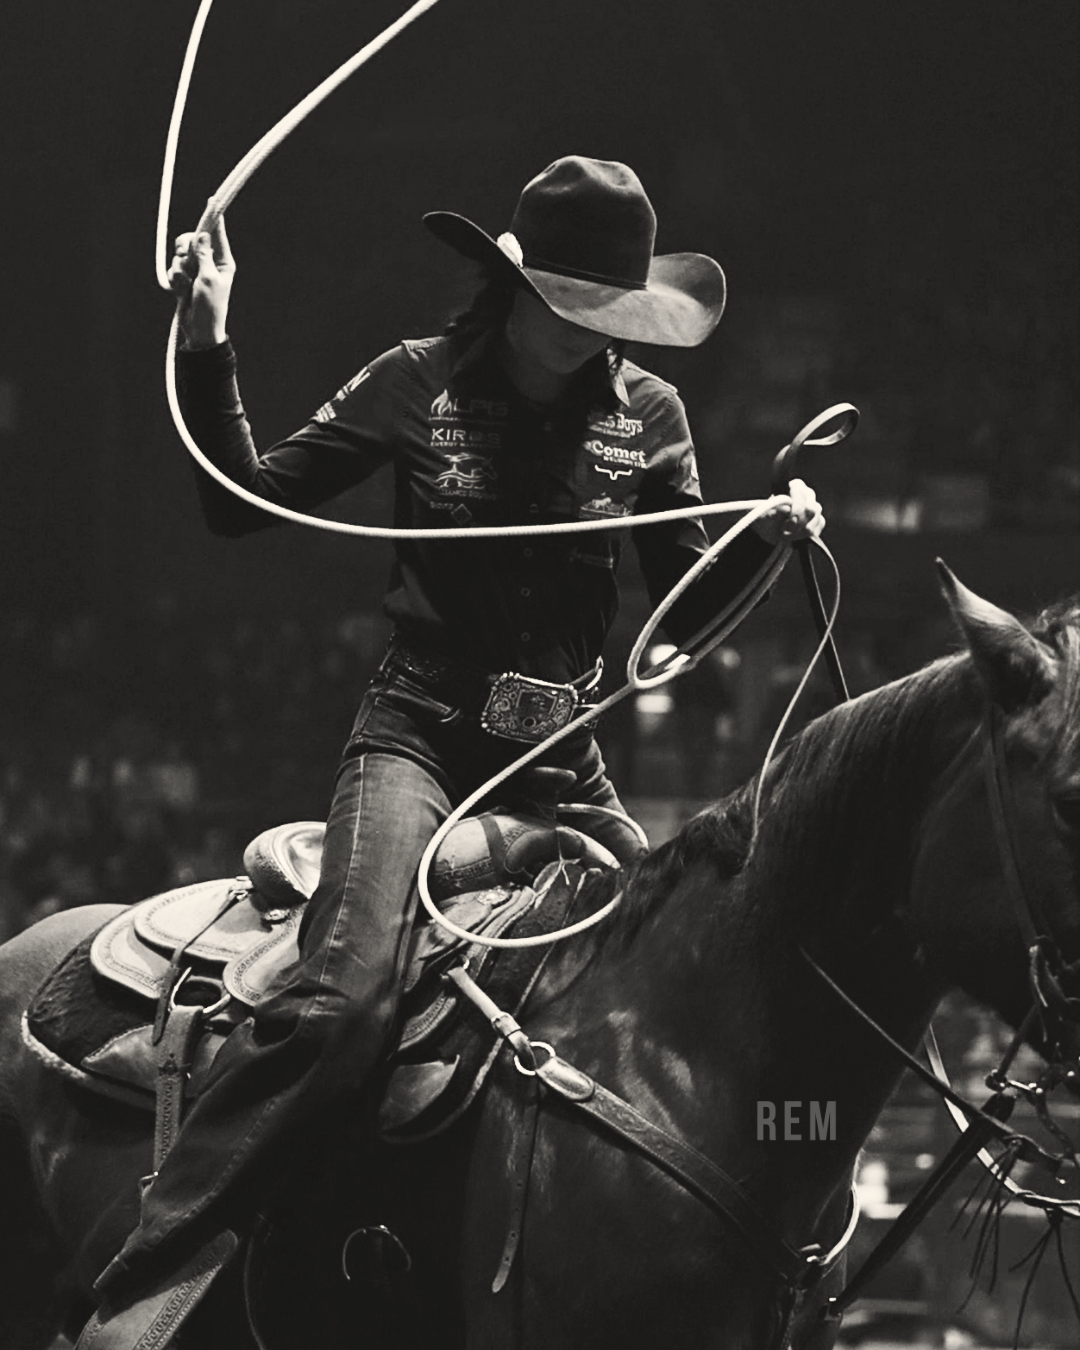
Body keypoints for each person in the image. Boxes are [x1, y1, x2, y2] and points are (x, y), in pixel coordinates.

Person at [83, 155, 823, 1340]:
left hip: (566, 757)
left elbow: (687, 599)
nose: (594, 339)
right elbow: (242, 498)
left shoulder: (649, 417)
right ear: (515, 284)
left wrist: (767, 528)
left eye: (614, 319)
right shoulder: (413, 383)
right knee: (339, 1003)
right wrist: (209, 342)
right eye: (578, 311)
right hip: (418, 736)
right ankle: (155, 1274)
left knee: (688, 978)